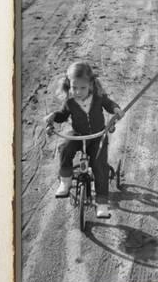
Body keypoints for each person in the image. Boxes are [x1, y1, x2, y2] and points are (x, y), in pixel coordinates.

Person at [44, 61, 124, 218]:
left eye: (83, 88)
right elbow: (62, 115)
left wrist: (116, 109)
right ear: (69, 85)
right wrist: (53, 116)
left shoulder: (99, 98)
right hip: (78, 134)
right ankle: (65, 180)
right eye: (74, 88)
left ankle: (101, 202)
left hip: (97, 136)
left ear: (91, 85)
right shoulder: (70, 102)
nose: (78, 92)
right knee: (64, 147)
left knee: (99, 166)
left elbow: (109, 104)